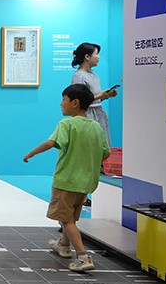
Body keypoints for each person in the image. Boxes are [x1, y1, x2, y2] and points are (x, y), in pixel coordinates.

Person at [22, 84, 110, 272]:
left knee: (66, 220)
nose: (61, 104)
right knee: (70, 217)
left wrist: (31, 153)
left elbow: (51, 143)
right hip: (86, 182)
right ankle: (63, 244)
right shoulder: (96, 127)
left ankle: (83, 256)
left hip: (66, 180)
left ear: (75, 103)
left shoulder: (67, 124)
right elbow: (105, 153)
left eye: (64, 100)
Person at [70, 42, 117, 149]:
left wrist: (105, 95)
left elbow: (93, 98)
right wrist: (100, 96)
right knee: (90, 149)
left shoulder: (93, 75)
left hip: (98, 114)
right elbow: (79, 101)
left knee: (101, 148)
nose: (98, 57)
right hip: (86, 116)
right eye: (96, 54)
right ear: (87, 57)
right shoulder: (79, 77)